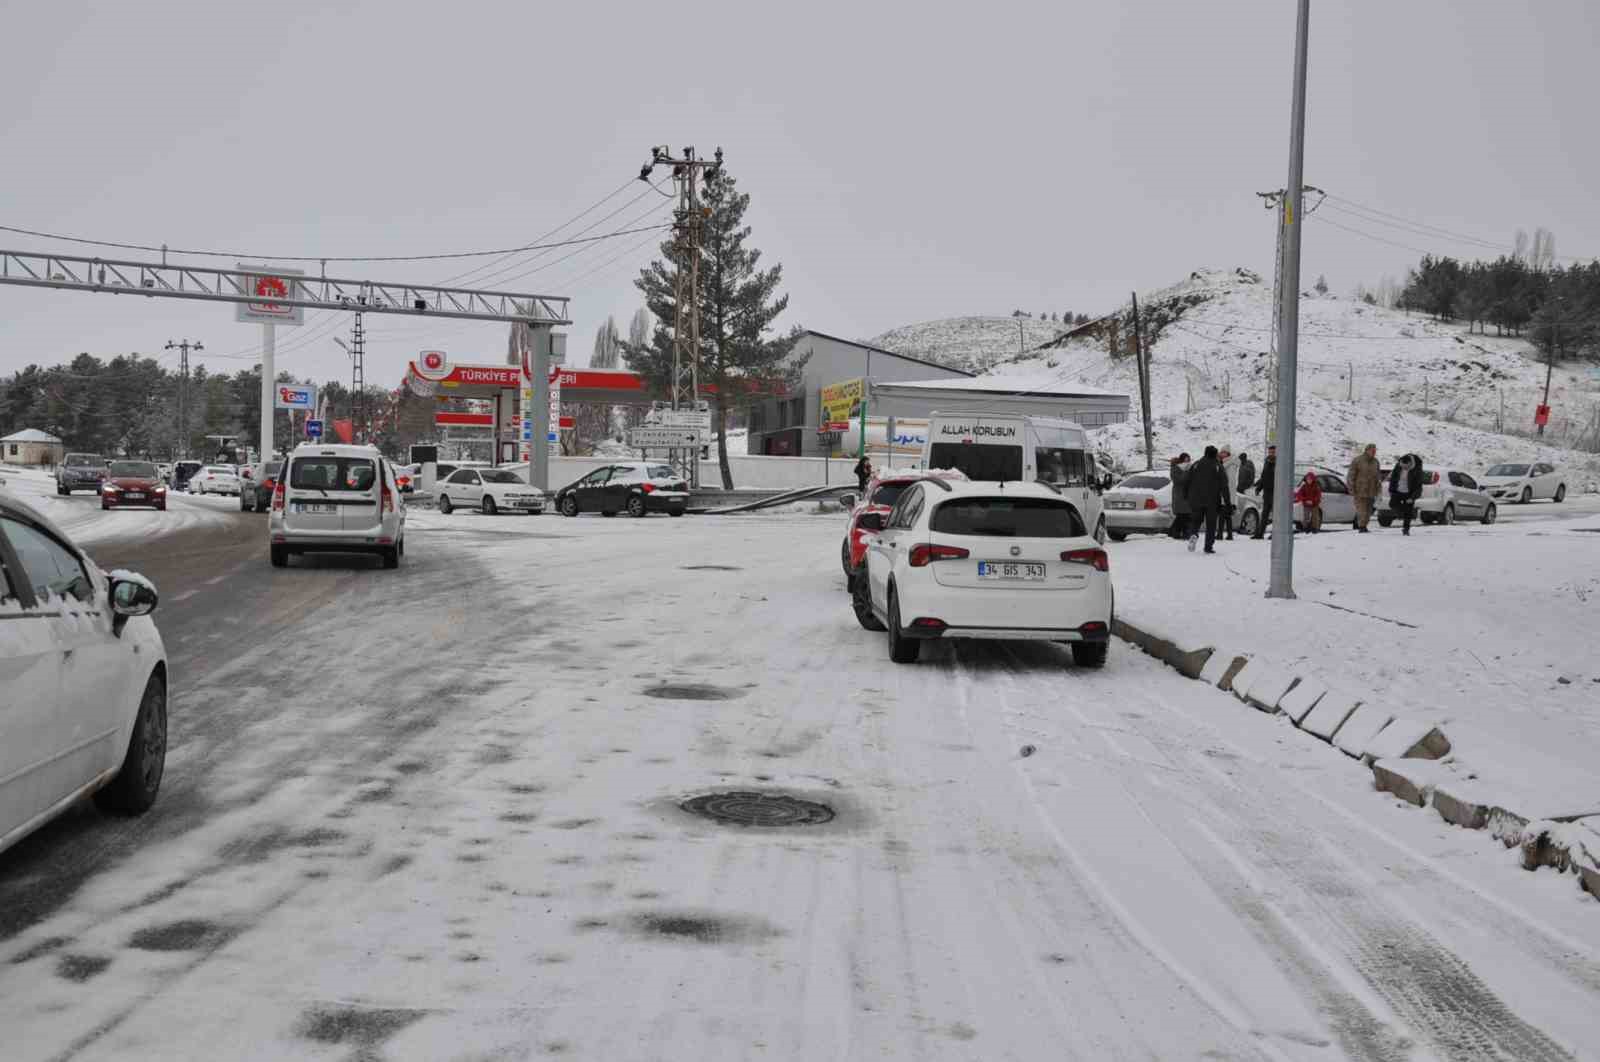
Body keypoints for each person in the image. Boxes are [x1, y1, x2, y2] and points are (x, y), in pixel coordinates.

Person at [1185, 445, 1230, 553]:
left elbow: (1187, 481)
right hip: (1212, 500)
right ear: (1215, 454)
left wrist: (1186, 495)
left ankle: (1193, 534)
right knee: (1211, 524)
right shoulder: (1218, 466)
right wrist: (1227, 502)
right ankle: (1208, 547)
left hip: (1196, 499)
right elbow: (1224, 485)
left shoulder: (1196, 464)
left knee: (1196, 521)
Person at [1347, 443, 1382, 532]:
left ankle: (1364, 526)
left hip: (1371, 490)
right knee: (1362, 511)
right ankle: (1361, 526)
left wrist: (1379, 489)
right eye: (1372, 450)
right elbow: (1351, 475)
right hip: (1359, 490)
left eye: (1375, 451)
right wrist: (1351, 488)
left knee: (1369, 511)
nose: (1374, 452)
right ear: (1367, 450)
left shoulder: (1376, 462)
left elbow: (1378, 477)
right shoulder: (1357, 460)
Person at [1389, 453, 1425, 536]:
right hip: (1398, 491)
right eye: (1403, 466)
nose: (1404, 468)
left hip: (1410, 493)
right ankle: (1406, 512)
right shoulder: (1398, 466)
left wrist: (1412, 498)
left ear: (1410, 463)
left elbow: (1418, 486)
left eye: (1406, 466)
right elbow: (1393, 479)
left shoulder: (1417, 469)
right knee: (1392, 504)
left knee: (1408, 511)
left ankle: (1406, 529)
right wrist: (1391, 491)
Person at [1251, 444, 1277, 539]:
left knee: (1276, 515)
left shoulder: (1279, 463)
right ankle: (1259, 533)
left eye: (1273, 452)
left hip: (1276, 493)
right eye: (1270, 452)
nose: (1271, 454)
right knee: (1264, 514)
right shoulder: (1267, 461)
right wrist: (1259, 488)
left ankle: (1275, 533)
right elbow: (1263, 477)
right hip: (1267, 492)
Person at [1168, 453, 1193, 539]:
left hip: (1187, 495)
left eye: (1189, 459)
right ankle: (1177, 533)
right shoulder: (1176, 468)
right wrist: (1186, 471)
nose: (1188, 461)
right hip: (1180, 495)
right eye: (1186, 459)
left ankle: (1177, 533)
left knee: (1185, 516)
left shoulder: (1189, 468)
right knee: (1182, 516)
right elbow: (1180, 480)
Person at [1217, 444, 1238, 541]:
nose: (1221, 454)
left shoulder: (1230, 465)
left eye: (1223, 452)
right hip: (1227, 493)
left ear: (1227, 453)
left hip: (1226, 493)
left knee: (1222, 514)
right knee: (1227, 515)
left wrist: (1226, 494)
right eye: (1221, 452)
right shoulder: (1227, 463)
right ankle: (1229, 534)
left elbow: (1230, 481)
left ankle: (1220, 534)